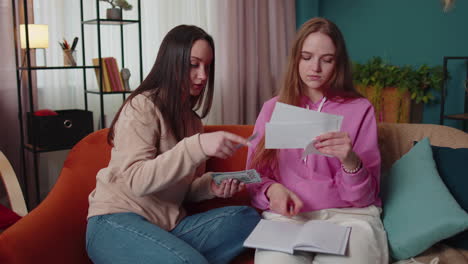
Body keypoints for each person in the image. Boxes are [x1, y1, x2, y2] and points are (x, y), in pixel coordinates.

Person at [86, 25, 260, 264]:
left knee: (246, 218)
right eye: (193, 64)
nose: (203, 76)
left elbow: (182, 191)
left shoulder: (192, 122)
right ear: (172, 61)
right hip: (116, 221)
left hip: (168, 228)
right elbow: (136, 182)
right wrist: (195, 147)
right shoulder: (142, 106)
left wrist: (210, 187)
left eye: (207, 66)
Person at [246, 17, 389, 264]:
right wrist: (273, 189)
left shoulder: (360, 109)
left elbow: (364, 196)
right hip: (289, 217)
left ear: (338, 63)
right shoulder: (272, 108)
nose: (315, 68)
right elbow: (253, 176)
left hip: (350, 217)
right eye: (307, 57)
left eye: (327, 60)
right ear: (296, 59)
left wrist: (351, 161)